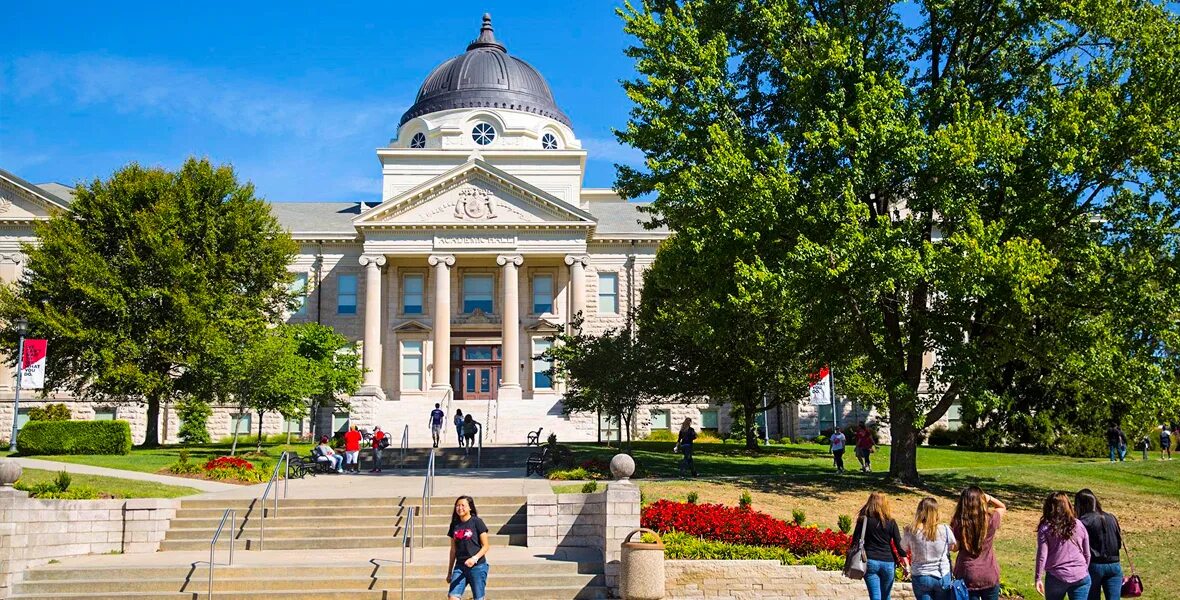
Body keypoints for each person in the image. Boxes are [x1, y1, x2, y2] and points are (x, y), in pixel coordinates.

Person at [951, 486, 1007, 600]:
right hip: (989, 573)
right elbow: (1002, 507)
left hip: (967, 574)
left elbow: (954, 548)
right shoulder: (991, 519)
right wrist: (989, 498)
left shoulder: (958, 523)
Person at [1035, 491, 1092, 600]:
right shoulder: (1079, 524)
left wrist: (1038, 578)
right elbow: (1087, 554)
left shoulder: (1046, 528)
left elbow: (1042, 555)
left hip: (1056, 576)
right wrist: (1083, 568)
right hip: (1081, 575)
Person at [851, 492, 907, 600]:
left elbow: (855, 541)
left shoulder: (864, 520)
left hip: (870, 560)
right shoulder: (891, 522)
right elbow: (899, 544)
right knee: (886, 596)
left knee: (875, 596)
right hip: (888, 561)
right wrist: (906, 563)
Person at [902, 497, 958, 600]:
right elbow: (954, 547)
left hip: (920, 574)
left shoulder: (911, 530)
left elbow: (903, 548)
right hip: (941, 574)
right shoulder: (944, 529)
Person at [1075, 489, 1123, 600]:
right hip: (1115, 564)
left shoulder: (1083, 521)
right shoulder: (1112, 518)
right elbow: (1118, 543)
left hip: (1094, 564)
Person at [447, 495, 490, 600]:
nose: (460, 508)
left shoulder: (477, 522)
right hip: (460, 567)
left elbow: (486, 546)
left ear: (470, 507)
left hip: (477, 567)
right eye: (457, 505)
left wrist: (474, 558)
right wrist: (449, 572)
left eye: (463, 505)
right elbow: (453, 550)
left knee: (478, 598)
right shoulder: (454, 525)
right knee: (453, 597)